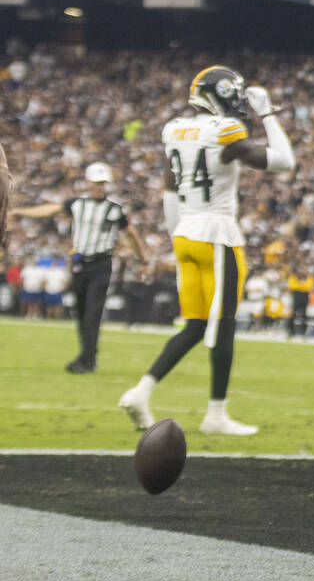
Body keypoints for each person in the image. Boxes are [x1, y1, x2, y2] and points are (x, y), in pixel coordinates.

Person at [118, 66, 295, 434]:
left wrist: (175, 235)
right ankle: (216, 414)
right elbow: (284, 161)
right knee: (224, 326)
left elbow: (169, 187)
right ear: (222, 95)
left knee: (197, 325)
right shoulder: (224, 131)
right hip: (218, 235)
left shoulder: (175, 129)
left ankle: (141, 391)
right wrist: (268, 113)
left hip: (185, 234)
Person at [11, 161, 146, 372]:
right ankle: (88, 356)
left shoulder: (113, 209)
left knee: (92, 313)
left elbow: (130, 233)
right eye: (96, 183)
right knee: (82, 313)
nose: (99, 187)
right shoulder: (77, 204)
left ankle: (87, 360)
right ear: (89, 183)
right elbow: (50, 210)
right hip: (80, 263)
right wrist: (22, 212)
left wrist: (140, 256)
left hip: (101, 264)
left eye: (102, 183)